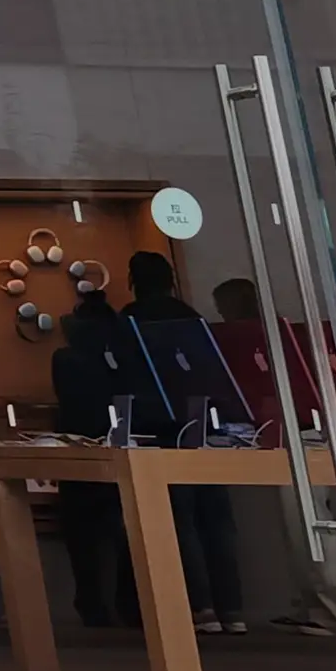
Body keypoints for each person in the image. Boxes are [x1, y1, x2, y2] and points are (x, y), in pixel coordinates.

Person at [211, 278, 336, 637]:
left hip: (298, 436)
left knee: (312, 525)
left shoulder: (258, 338)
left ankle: (331, 612)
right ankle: (314, 607)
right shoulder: (283, 336)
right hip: (295, 434)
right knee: (303, 526)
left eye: (223, 307)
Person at [121, 252, 245, 635]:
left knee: (180, 518)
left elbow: (125, 373)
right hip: (205, 422)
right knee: (217, 518)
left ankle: (199, 606)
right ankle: (232, 610)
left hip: (160, 424)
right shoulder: (191, 316)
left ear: (133, 280)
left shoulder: (131, 317)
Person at [47, 297, 145, 628]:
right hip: (122, 447)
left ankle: (91, 604)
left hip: (78, 452)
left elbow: (68, 402)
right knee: (126, 534)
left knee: (82, 537)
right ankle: (131, 605)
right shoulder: (128, 357)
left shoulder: (66, 358)